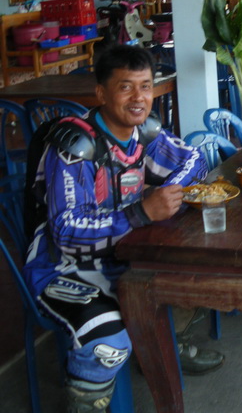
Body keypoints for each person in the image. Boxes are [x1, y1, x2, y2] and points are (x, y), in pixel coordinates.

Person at [23, 45, 224, 412]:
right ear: (101, 93)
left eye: (145, 86)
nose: (138, 98)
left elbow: (193, 160)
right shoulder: (75, 147)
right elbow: (66, 231)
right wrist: (141, 213)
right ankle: (88, 400)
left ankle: (160, 347)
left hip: (123, 253)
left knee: (189, 278)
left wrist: (166, 193)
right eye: (125, 87)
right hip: (62, 267)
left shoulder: (143, 133)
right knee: (108, 342)